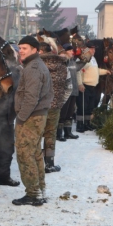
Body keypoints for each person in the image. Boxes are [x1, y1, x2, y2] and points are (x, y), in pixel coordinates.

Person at [12, 36, 53, 206]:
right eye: (20, 48)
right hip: (36, 116)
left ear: (35, 50)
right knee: (35, 154)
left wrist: (21, 117)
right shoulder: (32, 65)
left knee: (25, 154)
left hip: (30, 117)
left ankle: (33, 194)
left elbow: (31, 97)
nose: (21, 51)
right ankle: (39, 190)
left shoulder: (33, 68)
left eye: (25, 48)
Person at [38, 42, 71, 173]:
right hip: (55, 107)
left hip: (37, 108)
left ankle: (36, 162)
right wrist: (59, 102)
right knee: (50, 134)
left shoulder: (35, 66)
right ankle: (49, 163)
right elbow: (69, 87)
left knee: (36, 134)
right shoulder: (63, 66)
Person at [76, 41, 111, 132]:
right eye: (91, 49)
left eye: (94, 49)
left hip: (93, 86)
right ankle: (80, 125)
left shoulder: (93, 59)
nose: (93, 50)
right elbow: (78, 71)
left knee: (90, 107)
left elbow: (95, 70)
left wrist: (105, 71)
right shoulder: (83, 58)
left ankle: (87, 123)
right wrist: (80, 84)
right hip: (85, 86)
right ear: (86, 49)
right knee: (82, 106)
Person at [59, 44, 81, 140]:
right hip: (65, 91)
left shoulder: (73, 62)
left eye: (73, 51)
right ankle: (59, 133)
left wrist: (86, 57)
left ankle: (68, 132)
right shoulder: (63, 61)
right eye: (70, 51)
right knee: (63, 113)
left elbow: (80, 65)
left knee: (70, 113)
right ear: (65, 52)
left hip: (74, 91)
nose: (72, 52)